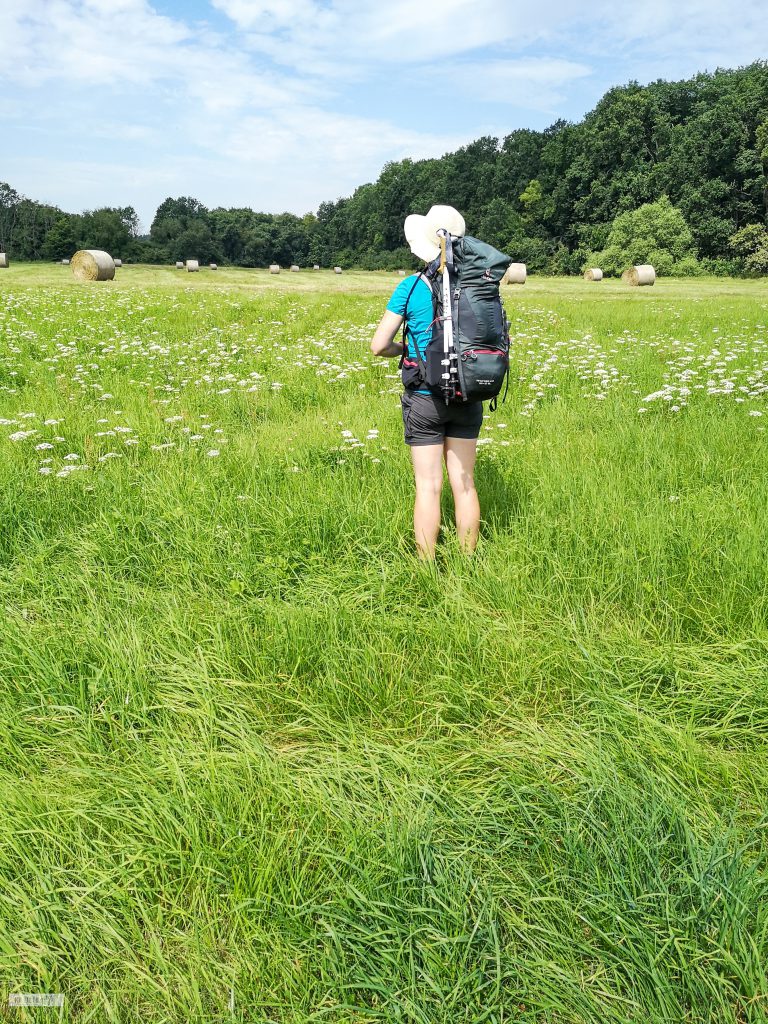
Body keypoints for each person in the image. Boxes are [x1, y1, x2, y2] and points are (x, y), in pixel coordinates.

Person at [370, 205, 483, 559]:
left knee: (428, 486)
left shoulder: (412, 285)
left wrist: (405, 347)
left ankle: (426, 568)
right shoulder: (479, 285)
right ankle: (468, 564)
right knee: (464, 486)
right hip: (467, 392)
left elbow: (378, 345)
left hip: (423, 396)